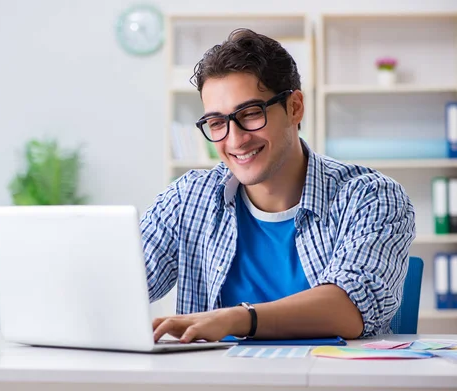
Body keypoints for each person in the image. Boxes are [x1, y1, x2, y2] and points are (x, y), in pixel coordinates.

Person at [141, 28, 416, 343]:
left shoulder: (371, 196)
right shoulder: (187, 198)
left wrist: (236, 318)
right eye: (217, 123)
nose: (235, 139)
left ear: (295, 108)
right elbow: (121, 284)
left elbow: (350, 308)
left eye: (250, 114)